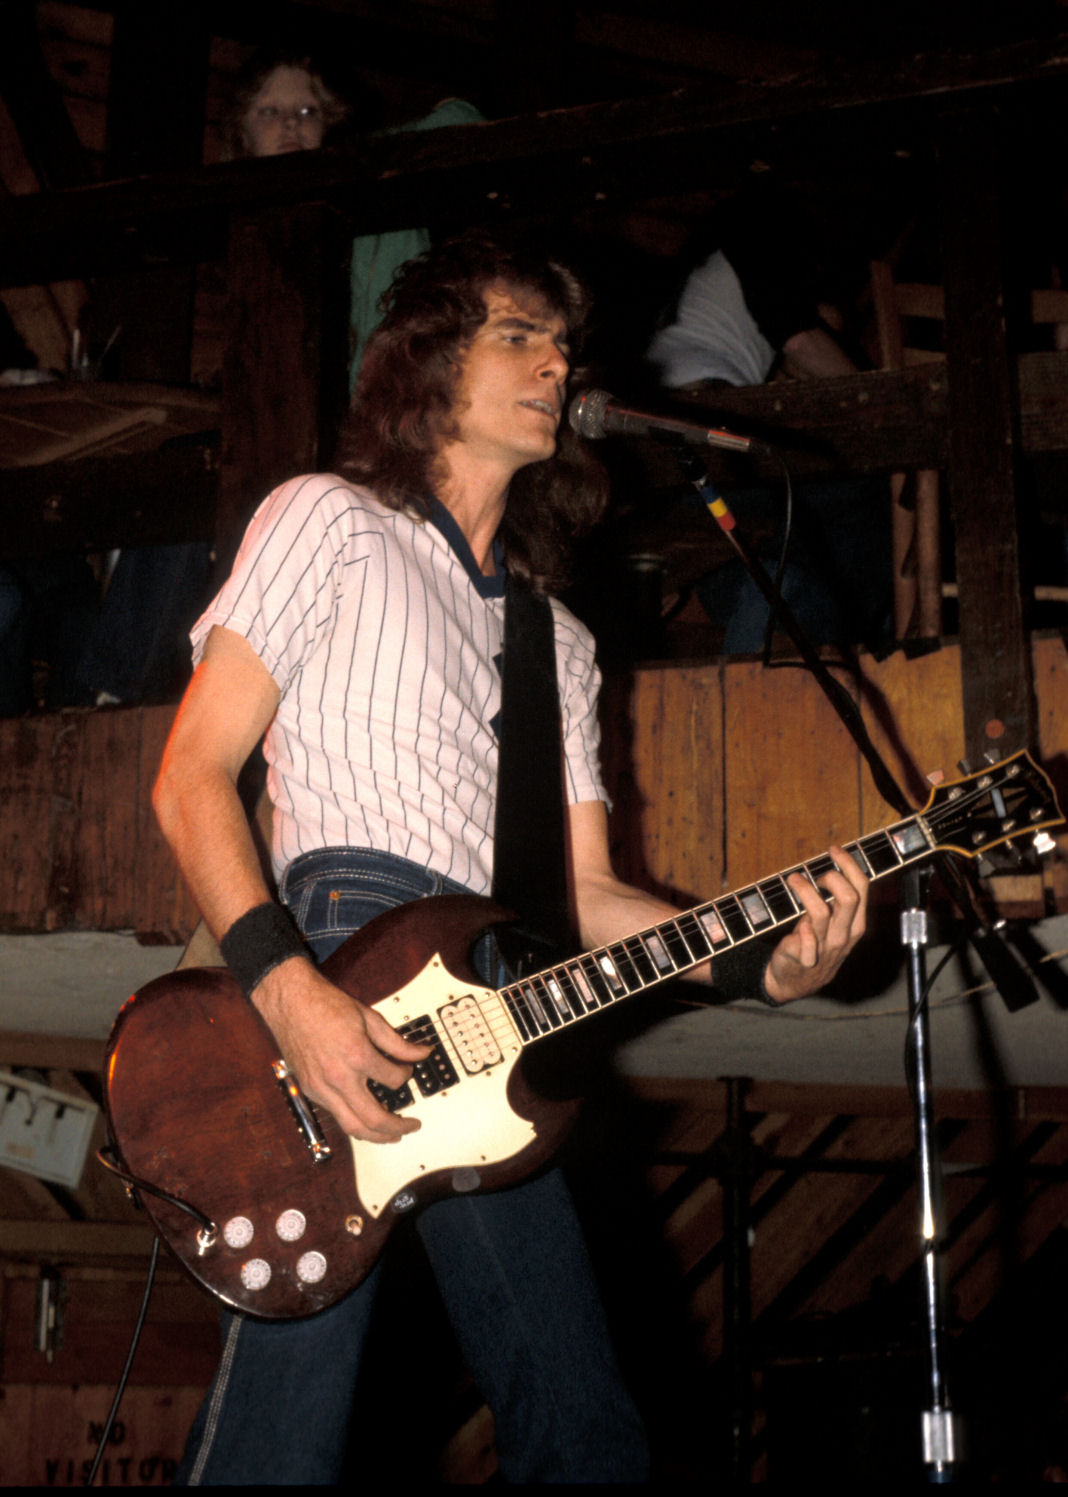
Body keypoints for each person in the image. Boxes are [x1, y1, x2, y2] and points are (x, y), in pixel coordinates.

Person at [153, 231, 869, 1484]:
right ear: (430, 364)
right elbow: (191, 775)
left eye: (564, 346)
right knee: (289, 1426)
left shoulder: (559, 644)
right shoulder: (328, 518)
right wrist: (289, 993)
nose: (557, 364)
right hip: (333, 949)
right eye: (519, 335)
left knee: (584, 1426)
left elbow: (588, 897)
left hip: (488, 1005)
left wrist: (765, 967)